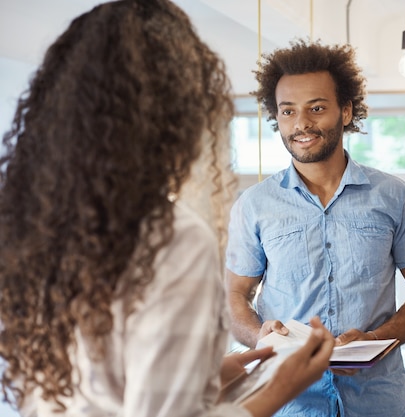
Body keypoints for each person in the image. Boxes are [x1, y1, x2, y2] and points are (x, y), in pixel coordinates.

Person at [0, 2, 336, 417]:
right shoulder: (171, 240)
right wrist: (279, 388)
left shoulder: (31, 227)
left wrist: (202, 380)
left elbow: (105, 387)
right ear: (175, 111)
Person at [226, 39, 405, 417]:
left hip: (379, 403)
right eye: (288, 111)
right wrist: (258, 334)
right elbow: (234, 297)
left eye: (316, 108)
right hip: (289, 404)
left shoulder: (393, 196)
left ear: (346, 111)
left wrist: (378, 339)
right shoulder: (254, 205)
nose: (301, 124)